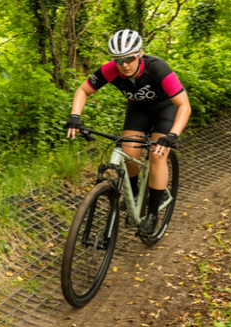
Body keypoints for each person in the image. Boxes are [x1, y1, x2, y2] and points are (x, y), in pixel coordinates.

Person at [64, 29, 192, 236]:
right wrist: (75, 116)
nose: (124, 64)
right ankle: (131, 194)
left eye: (130, 58)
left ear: (140, 53)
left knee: (157, 155)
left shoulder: (157, 68)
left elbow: (184, 105)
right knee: (129, 154)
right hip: (138, 109)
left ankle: (152, 215)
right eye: (118, 59)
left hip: (165, 109)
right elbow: (83, 90)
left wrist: (173, 135)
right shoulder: (110, 70)